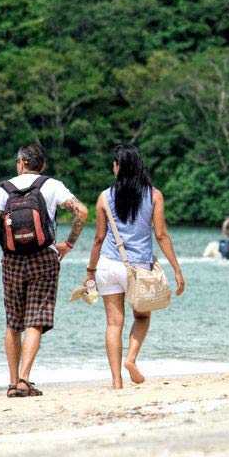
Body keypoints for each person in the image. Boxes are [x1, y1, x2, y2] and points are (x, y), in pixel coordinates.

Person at [0, 143, 88, 398]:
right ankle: (24, 381)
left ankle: (12, 382)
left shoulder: (5, 188)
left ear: (20, 162)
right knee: (35, 320)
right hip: (44, 259)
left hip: (12, 260)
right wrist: (69, 244)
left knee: (13, 322)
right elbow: (81, 212)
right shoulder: (52, 185)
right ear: (42, 166)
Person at [83, 144, 185, 389]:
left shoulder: (104, 197)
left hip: (108, 265)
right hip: (138, 269)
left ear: (119, 167)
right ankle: (130, 359)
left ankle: (116, 382)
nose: (112, 166)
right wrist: (176, 269)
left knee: (113, 323)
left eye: (114, 163)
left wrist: (90, 270)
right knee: (142, 316)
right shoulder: (154, 195)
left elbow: (98, 238)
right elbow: (161, 236)